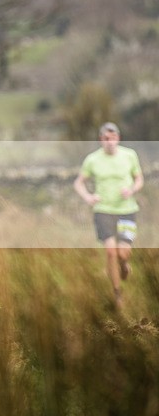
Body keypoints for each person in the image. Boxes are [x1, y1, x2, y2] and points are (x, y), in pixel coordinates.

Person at [74, 122, 144, 307]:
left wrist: (131, 190)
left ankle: (124, 265)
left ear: (118, 139)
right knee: (111, 252)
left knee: (123, 253)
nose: (109, 142)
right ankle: (117, 293)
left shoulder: (130, 156)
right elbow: (79, 183)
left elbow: (139, 179)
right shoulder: (92, 159)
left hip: (127, 210)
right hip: (103, 211)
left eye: (112, 138)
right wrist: (88, 197)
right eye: (106, 139)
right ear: (101, 140)